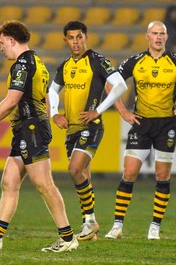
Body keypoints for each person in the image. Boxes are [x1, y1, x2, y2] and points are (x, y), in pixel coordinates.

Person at [0, 20, 78, 253]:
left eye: (2, 42)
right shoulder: (38, 62)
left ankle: (68, 238)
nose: (1, 47)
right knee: (9, 182)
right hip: (28, 129)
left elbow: (11, 101)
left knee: (44, 185)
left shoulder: (22, 65)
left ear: (12, 41)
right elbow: (45, 98)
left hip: (30, 129)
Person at [104, 21, 176, 240]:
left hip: (166, 125)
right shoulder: (135, 61)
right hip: (141, 124)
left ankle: (154, 227)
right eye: (155, 33)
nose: (159, 37)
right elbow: (109, 83)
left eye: (162, 33)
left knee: (162, 175)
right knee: (129, 173)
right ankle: (117, 226)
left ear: (167, 37)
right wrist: (123, 112)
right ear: (147, 37)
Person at [48, 21, 127, 241]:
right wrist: (54, 113)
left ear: (86, 37)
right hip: (71, 129)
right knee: (84, 175)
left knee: (74, 170)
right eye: (71, 38)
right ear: (66, 40)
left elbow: (120, 85)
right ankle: (88, 226)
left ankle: (91, 221)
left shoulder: (97, 61)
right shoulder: (65, 65)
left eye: (79, 37)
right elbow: (52, 91)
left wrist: (98, 111)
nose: (75, 42)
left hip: (90, 127)